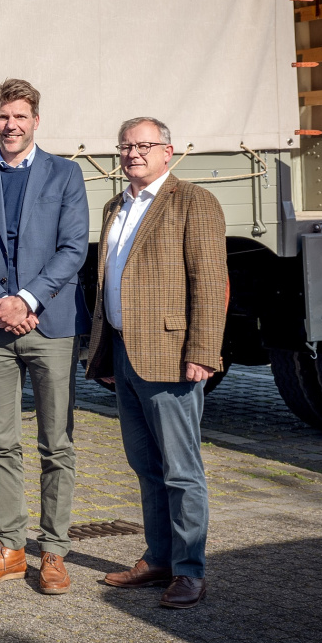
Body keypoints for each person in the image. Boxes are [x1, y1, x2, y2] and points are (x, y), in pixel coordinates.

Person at [0, 79, 90, 594]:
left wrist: (27, 300)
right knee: (0, 443)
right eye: (3, 116)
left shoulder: (66, 174)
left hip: (49, 324)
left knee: (57, 443)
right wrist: (0, 303)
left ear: (36, 121)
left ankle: (53, 551)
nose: (11, 125)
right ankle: (10, 547)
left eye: (20, 116)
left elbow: (74, 248)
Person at [85, 116, 227, 610]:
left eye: (145, 145)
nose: (133, 154)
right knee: (145, 465)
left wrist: (204, 354)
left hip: (171, 358)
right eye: (125, 146)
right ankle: (160, 557)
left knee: (181, 470)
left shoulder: (193, 202)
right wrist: (103, 351)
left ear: (169, 151)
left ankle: (190, 570)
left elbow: (210, 284)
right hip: (125, 354)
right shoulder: (114, 205)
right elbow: (108, 286)